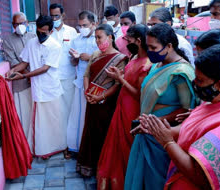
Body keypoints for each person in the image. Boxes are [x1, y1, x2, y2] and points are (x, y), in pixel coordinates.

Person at [139, 46, 220, 189]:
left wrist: (167, 142)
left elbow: (200, 176)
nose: (194, 84)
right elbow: (191, 130)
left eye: (200, 80)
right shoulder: (216, 101)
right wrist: (159, 129)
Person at [125, 23, 198, 190]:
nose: (149, 51)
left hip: (162, 135)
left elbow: (186, 112)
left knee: (156, 180)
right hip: (145, 129)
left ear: (169, 46)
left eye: (153, 47)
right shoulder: (157, 64)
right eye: (148, 46)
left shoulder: (181, 72)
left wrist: (153, 123)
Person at [97, 24, 152, 189]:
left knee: (126, 146)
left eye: (128, 39)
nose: (125, 42)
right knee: (116, 146)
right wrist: (119, 75)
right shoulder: (134, 57)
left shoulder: (147, 64)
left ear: (139, 40)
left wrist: (120, 80)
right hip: (122, 104)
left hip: (132, 108)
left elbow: (139, 94)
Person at [6, 15, 66, 159]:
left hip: (50, 88)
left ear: (51, 32)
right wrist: (14, 71)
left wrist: (24, 76)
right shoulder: (32, 42)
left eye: (44, 33)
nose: (40, 35)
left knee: (54, 120)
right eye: (38, 32)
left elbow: (45, 68)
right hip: (37, 89)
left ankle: (58, 147)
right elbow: (24, 63)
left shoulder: (55, 46)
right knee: (40, 122)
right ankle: (43, 149)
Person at [76, 24, 128, 177]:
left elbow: (118, 85)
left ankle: (103, 168)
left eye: (100, 37)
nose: (97, 41)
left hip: (107, 103)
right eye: (96, 37)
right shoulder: (95, 55)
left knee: (103, 134)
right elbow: (86, 75)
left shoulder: (120, 58)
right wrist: (87, 92)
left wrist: (101, 96)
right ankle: (88, 165)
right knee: (90, 132)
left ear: (110, 37)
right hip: (91, 100)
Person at [2, 12, 36, 150]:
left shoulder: (33, 37)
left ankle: (36, 144)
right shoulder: (8, 40)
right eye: (16, 24)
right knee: (24, 116)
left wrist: (32, 75)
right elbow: (14, 61)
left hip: (35, 82)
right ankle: (26, 147)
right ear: (13, 25)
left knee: (36, 115)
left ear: (27, 23)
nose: (20, 26)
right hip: (21, 84)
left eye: (22, 23)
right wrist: (28, 75)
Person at [67, 11, 99, 152]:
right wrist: (75, 57)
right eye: (80, 26)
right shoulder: (76, 40)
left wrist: (90, 57)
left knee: (93, 115)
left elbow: (106, 57)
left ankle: (92, 147)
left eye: (85, 25)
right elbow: (73, 63)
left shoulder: (98, 39)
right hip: (80, 81)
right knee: (79, 115)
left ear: (94, 24)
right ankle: (78, 145)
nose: (82, 28)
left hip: (96, 82)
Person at [49, 3, 78, 158]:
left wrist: (76, 60)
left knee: (68, 112)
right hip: (51, 79)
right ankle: (58, 144)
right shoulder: (47, 32)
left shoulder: (72, 32)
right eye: (52, 16)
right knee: (55, 113)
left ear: (63, 15)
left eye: (57, 16)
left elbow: (76, 54)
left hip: (68, 77)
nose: (54, 19)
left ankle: (68, 145)